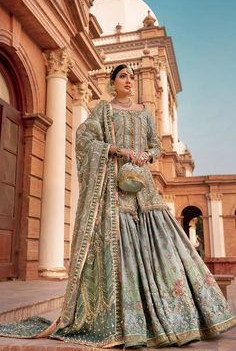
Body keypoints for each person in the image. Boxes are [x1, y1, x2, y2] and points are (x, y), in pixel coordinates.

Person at [0, 64, 236, 348]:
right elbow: (85, 139)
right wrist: (116, 150)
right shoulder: (103, 111)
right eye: (123, 76)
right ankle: (128, 323)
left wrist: (145, 156)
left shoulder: (145, 113)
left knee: (164, 245)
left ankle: (174, 316)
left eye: (132, 77)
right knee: (121, 249)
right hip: (114, 190)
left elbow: (155, 147)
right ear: (113, 83)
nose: (129, 81)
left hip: (143, 189)